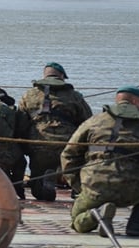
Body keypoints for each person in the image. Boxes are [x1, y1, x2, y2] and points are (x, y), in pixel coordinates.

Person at [61, 86, 139, 237]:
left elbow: (69, 155)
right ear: (135, 101)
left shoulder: (93, 122)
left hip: (95, 187)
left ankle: (96, 215)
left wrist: (79, 186)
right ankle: (136, 221)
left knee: (77, 222)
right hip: (133, 191)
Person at [19, 62, 92, 201]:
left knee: (37, 188)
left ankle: (43, 184)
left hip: (38, 143)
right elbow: (87, 122)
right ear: (62, 76)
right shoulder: (74, 96)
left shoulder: (29, 95)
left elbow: (21, 123)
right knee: (72, 167)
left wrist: (25, 146)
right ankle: (75, 189)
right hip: (66, 144)